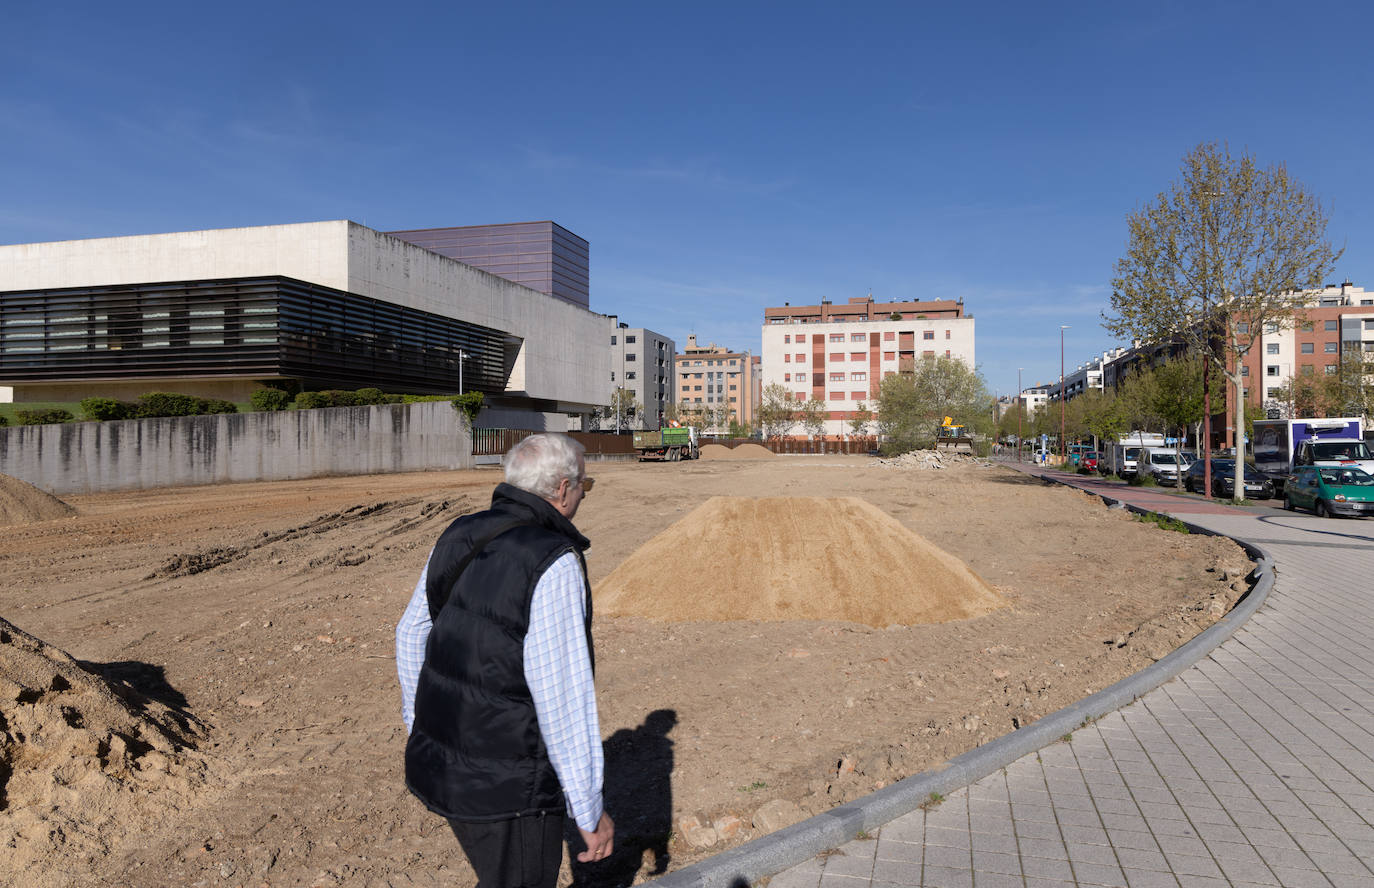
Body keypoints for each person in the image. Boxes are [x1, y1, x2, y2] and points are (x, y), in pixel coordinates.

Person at [396, 433, 612, 888]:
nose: (582, 496)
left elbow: (411, 633)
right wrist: (588, 810)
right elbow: (562, 697)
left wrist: (421, 727)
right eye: (584, 487)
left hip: (444, 764)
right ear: (561, 489)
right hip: (510, 788)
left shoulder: (459, 532)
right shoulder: (552, 560)